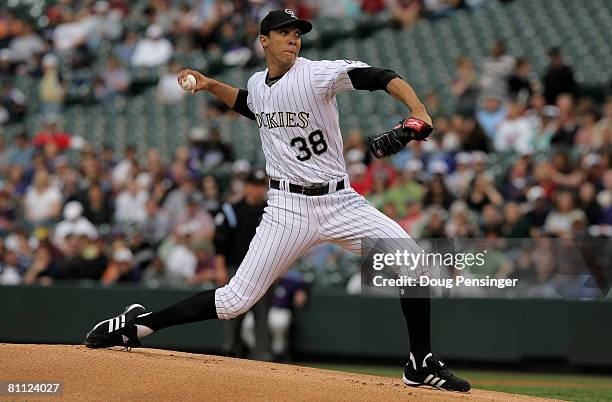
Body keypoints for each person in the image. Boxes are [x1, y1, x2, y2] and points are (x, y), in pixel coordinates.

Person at [84, 9, 470, 393]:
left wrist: (417, 110)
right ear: (263, 41)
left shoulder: (315, 75)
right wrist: (210, 84)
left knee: (413, 261)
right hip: (287, 210)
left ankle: (420, 363)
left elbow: (381, 76)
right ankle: (137, 325)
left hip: (341, 202)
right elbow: (250, 103)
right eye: (283, 32)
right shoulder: (258, 82)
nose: (293, 38)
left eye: (296, 32)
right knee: (234, 301)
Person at [214, 170, 272, 360]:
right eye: (253, 185)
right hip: (236, 269)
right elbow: (220, 242)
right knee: (232, 314)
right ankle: (229, 353)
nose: (257, 189)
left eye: (260, 185)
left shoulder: (270, 211)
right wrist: (220, 268)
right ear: (246, 187)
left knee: (261, 317)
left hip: (263, 272)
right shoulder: (232, 210)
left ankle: (263, 356)